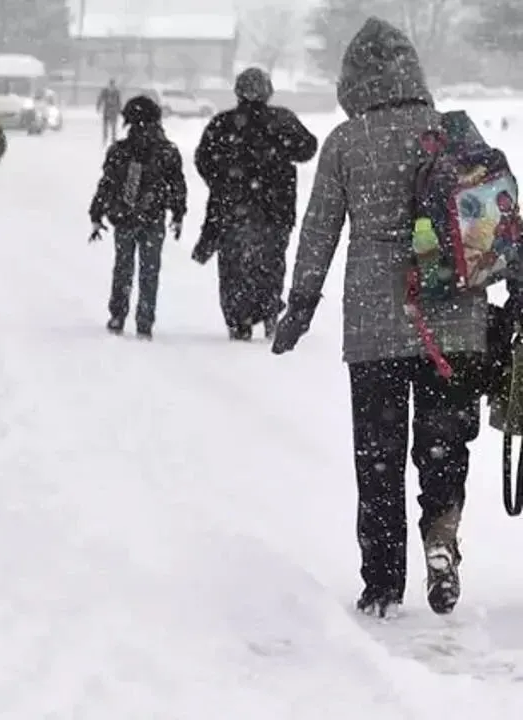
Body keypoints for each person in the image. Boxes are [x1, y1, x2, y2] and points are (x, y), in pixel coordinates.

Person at [271, 17, 506, 618]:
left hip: (376, 323)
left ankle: (381, 585)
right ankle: (442, 538)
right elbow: (492, 221)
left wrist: (300, 304)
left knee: (378, 456)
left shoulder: (347, 142)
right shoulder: (452, 131)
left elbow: (319, 230)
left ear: (352, 80)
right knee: (444, 446)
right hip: (453, 320)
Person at [193, 67, 318, 341]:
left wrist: (223, 181)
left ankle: (239, 319)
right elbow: (308, 148)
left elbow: (203, 159)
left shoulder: (223, 124)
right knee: (270, 263)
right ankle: (269, 309)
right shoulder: (282, 120)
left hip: (232, 209)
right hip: (276, 209)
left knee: (233, 267)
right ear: (267, 91)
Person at [88, 96, 187, 340]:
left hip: (124, 217)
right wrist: (178, 213)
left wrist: (97, 212)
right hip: (153, 218)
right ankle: (144, 320)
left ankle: (118, 314)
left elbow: (107, 184)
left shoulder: (120, 151)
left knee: (123, 267)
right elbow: (177, 185)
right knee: (149, 270)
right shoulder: (167, 151)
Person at [96, 79, 122, 148]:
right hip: (107, 111)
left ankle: (113, 139)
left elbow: (119, 101)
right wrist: (98, 106)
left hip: (113, 111)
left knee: (113, 127)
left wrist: (119, 109)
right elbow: (100, 99)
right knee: (106, 126)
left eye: (113, 84)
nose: (112, 86)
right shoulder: (105, 91)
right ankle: (105, 138)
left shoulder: (117, 92)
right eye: (111, 84)